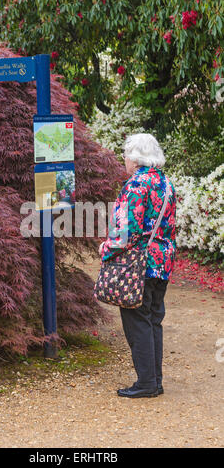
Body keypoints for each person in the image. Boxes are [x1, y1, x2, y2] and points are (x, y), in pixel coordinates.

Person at [99, 133, 176, 398]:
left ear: (135, 157)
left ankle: (146, 383)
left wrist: (107, 248)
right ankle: (155, 381)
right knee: (154, 319)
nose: (124, 160)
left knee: (138, 320)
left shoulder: (136, 185)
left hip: (139, 264)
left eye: (126, 155)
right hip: (162, 260)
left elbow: (126, 231)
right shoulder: (166, 183)